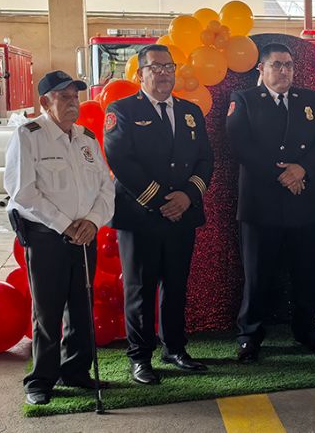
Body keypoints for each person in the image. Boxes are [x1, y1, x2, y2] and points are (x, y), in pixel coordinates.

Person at [103, 44, 214, 385]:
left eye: (169, 66)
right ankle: (140, 357)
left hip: (182, 214)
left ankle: (175, 348)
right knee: (140, 289)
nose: (164, 73)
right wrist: (161, 201)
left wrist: (187, 196)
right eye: (156, 67)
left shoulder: (190, 111)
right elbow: (121, 161)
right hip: (140, 217)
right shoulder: (121, 110)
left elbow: (205, 160)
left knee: (176, 285)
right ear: (141, 74)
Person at [4, 70, 115, 406]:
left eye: (75, 96)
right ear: (45, 102)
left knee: (81, 307)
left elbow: (105, 188)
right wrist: (66, 225)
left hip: (85, 235)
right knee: (48, 310)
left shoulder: (87, 138)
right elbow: (22, 192)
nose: (72, 103)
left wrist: (94, 222)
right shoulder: (29, 135)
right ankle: (41, 380)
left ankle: (76, 370)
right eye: (63, 97)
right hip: (47, 237)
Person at [226, 43, 315, 362]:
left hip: (304, 198)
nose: (284, 71)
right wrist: (283, 175)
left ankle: (307, 332)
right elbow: (239, 144)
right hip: (262, 202)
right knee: (258, 274)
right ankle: (249, 335)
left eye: (288, 65)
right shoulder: (243, 100)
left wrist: (303, 169)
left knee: (306, 273)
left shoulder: (310, 100)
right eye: (276, 65)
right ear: (261, 69)